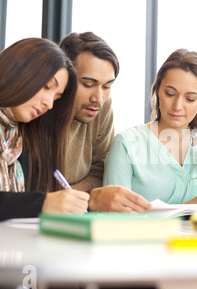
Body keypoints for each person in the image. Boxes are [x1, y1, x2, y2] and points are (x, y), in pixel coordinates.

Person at [0, 38, 89, 222]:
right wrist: (41, 203)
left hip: (19, 247)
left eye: (56, 98)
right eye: (46, 87)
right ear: (16, 73)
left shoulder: (29, 136)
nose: (49, 104)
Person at [104, 49, 197, 205]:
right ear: (157, 89)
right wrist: (188, 207)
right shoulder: (127, 143)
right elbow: (112, 217)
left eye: (190, 99)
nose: (177, 106)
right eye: (170, 93)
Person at [59, 32, 151, 213]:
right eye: (87, 84)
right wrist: (86, 196)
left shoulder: (101, 107)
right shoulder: (38, 108)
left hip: (74, 213)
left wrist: (72, 195)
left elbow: (101, 169)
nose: (98, 98)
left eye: (107, 86)